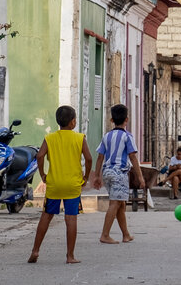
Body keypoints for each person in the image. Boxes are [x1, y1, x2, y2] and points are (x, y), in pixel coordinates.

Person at [29, 105, 92, 264]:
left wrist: (43, 174)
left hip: (54, 183)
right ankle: (70, 256)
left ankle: (35, 250)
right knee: (71, 219)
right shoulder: (79, 138)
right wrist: (86, 176)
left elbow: (40, 156)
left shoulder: (50, 138)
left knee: (46, 216)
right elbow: (89, 158)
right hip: (72, 184)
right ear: (72, 122)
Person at [91, 103, 142, 245]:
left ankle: (126, 234)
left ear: (111, 120)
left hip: (107, 172)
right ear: (127, 120)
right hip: (119, 172)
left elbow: (100, 157)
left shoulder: (106, 136)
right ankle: (105, 235)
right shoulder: (127, 137)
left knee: (120, 204)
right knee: (115, 203)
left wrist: (97, 176)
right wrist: (140, 177)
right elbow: (132, 157)